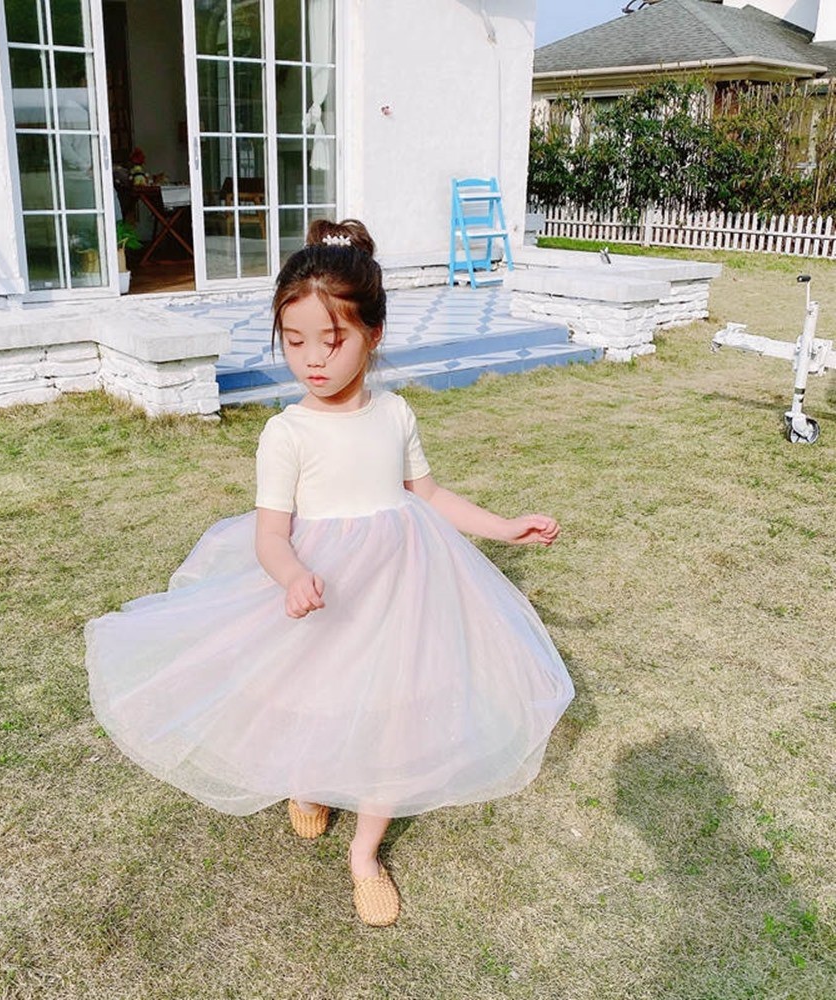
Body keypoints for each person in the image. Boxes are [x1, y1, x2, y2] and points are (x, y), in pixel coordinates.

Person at [86, 219, 574, 927]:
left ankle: (365, 854)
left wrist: (504, 526)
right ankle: (309, 781)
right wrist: (291, 576)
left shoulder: (396, 414)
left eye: (332, 339)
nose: (313, 359)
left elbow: (428, 494)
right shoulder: (287, 433)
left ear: (373, 334)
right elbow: (271, 534)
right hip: (323, 588)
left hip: (402, 587)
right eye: (295, 341)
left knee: (395, 711)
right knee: (318, 696)